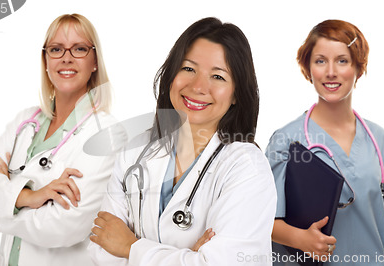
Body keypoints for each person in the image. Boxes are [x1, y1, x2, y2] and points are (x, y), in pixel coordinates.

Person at [88, 17, 276, 265]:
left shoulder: (246, 168)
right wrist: (188, 257)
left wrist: (130, 246)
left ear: (236, 95)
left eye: (218, 77)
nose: (198, 86)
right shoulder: (135, 151)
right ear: (171, 75)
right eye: (188, 68)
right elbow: (99, 251)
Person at [0, 14, 124, 266]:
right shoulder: (26, 122)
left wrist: (4, 205)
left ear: (95, 60)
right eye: (56, 49)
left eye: (79, 49)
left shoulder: (106, 134)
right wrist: (27, 197)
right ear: (45, 60)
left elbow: (65, 226)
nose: (66, 57)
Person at [266, 19, 384, 265]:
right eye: (320, 61)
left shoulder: (379, 139)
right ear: (308, 69)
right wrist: (301, 239)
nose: (331, 72)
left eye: (342, 60)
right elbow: (261, 220)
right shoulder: (285, 141)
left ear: (358, 69)